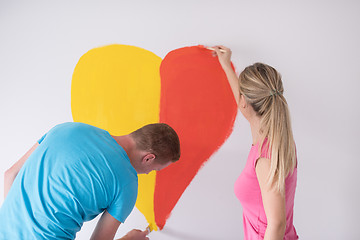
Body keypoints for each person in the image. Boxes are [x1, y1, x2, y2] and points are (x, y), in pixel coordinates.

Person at [0, 122, 180, 240]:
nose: (149, 173)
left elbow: (10, 174)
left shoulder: (67, 128)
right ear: (148, 158)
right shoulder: (128, 184)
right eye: (155, 169)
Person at [212, 46, 298, 239]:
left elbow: (276, 224)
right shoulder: (280, 139)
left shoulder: (265, 160)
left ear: (245, 101)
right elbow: (246, 103)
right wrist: (226, 65)